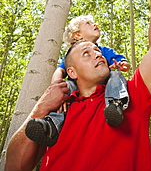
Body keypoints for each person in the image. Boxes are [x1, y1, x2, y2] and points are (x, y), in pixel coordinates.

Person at [5, 0, 151, 171]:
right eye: (86, 53)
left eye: (97, 51)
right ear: (71, 71)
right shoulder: (58, 111)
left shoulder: (132, 98)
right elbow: (13, 166)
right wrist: (41, 107)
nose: (97, 55)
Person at [25, 15, 131, 146]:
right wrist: (57, 90)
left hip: (105, 85)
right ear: (77, 35)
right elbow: (60, 71)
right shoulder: (72, 56)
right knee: (67, 87)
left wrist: (122, 66)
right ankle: (51, 125)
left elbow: (123, 62)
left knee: (115, 76)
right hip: (76, 87)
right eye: (88, 23)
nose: (94, 24)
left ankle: (115, 105)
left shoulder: (104, 51)